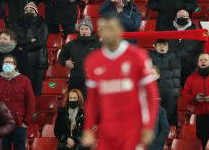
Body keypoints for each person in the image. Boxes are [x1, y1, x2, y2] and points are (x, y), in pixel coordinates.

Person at [81, 15, 159, 150]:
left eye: (111, 29)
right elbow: (92, 100)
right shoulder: (93, 60)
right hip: (108, 128)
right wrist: (88, 128)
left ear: (119, 30)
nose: (107, 33)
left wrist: (148, 125)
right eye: (103, 29)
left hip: (133, 127)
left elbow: (151, 95)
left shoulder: (137, 55)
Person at [0, 55, 35, 150]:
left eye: (10, 63)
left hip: (19, 125)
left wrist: (25, 122)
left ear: (15, 65)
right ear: (2, 65)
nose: (7, 64)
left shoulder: (24, 81)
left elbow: (31, 102)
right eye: (5, 62)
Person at [11, 2, 49, 95]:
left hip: (38, 61)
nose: (29, 12)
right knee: (22, 90)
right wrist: (29, 40)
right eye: (26, 10)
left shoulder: (42, 24)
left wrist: (23, 48)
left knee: (36, 90)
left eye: (31, 10)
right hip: (21, 61)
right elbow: (15, 40)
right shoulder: (18, 24)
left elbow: (40, 42)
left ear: (36, 12)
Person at [58, 17, 101, 93]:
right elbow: (61, 56)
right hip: (75, 80)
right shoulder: (72, 44)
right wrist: (65, 62)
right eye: (82, 29)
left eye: (86, 29)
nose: (84, 31)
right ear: (79, 30)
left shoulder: (98, 44)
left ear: (91, 30)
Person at [149, 39, 182, 127]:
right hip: (157, 93)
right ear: (155, 46)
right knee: (158, 120)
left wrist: (176, 91)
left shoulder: (175, 56)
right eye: (160, 45)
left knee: (171, 121)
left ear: (168, 47)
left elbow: (177, 74)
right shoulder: (149, 57)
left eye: (164, 45)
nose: (162, 47)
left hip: (172, 94)